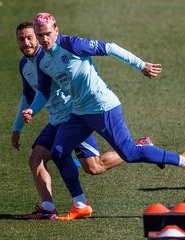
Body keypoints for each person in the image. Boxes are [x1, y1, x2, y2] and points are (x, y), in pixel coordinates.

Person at [22, 13, 185, 221]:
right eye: (40, 35)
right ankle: (80, 205)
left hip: (103, 108)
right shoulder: (42, 61)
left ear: (56, 30)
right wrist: (32, 109)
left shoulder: (72, 44)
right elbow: (44, 92)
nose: (44, 39)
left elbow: (110, 47)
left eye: (48, 33)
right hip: (79, 112)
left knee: (129, 153)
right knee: (58, 152)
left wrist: (141, 65)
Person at [12, 21, 126, 220]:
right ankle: (48, 208)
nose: (26, 43)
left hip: (74, 117)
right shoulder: (25, 65)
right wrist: (17, 128)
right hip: (55, 121)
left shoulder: (50, 58)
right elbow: (27, 95)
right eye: (22, 39)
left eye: (30, 37)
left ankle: (136, 148)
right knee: (36, 158)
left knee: (94, 167)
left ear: (38, 37)